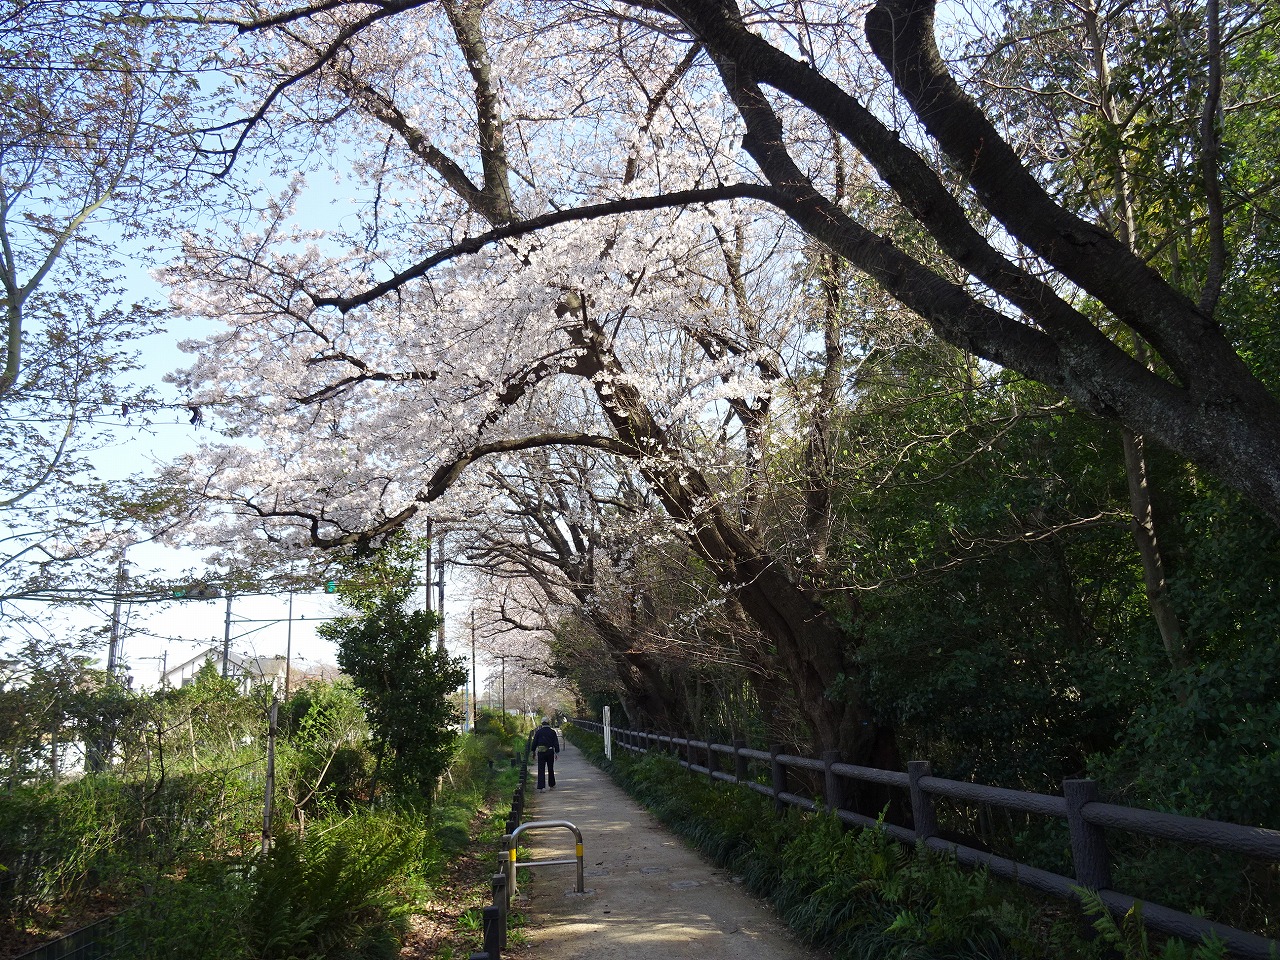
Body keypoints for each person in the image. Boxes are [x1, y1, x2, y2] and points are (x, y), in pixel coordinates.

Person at [530, 718, 560, 791]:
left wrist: (533, 751)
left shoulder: (538, 732)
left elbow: (534, 742)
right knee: (550, 768)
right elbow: (556, 743)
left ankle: (541, 787)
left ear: (542, 723)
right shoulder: (552, 732)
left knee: (541, 769)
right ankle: (551, 785)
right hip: (550, 751)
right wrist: (556, 752)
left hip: (541, 752)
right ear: (548, 723)